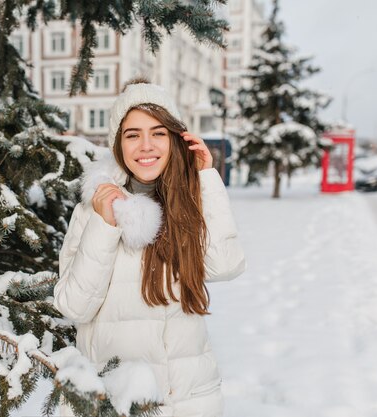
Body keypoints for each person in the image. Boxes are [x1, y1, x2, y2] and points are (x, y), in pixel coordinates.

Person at [53, 79, 246, 417]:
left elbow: (225, 264)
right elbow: (74, 307)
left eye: (158, 133)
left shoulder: (189, 204)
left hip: (191, 399)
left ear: (174, 139)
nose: (146, 146)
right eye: (132, 134)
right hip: (116, 400)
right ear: (118, 144)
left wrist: (206, 180)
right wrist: (104, 224)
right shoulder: (93, 210)